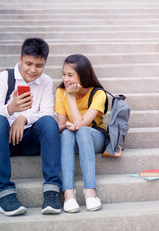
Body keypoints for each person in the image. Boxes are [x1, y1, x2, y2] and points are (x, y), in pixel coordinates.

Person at [0, 38, 62, 216]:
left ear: (45, 64)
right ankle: (5, 194)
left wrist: (23, 119)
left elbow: (46, 112)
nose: (33, 70)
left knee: (49, 121)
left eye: (39, 65)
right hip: (4, 141)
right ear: (20, 59)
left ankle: (52, 191)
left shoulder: (45, 81)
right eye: (28, 63)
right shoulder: (4, 77)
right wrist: (12, 108)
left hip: (30, 140)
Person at [54, 54, 107, 213]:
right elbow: (61, 126)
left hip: (94, 138)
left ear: (83, 75)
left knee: (82, 131)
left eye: (70, 75)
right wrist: (67, 126)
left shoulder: (98, 94)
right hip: (71, 138)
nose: (66, 79)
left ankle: (90, 190)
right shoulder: (60, 92)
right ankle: (68, 192)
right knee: (67, 134)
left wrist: (71, 97)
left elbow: (81, 124)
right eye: (64, 74)